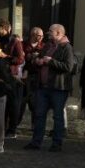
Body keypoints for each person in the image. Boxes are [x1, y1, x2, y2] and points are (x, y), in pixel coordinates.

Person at [24, 23, 77, 152]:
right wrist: (38, 61)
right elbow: (40, 59)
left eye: (50, 31)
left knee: (57, 116)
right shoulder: (48, 45)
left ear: (58, 33)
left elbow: (68, 67)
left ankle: (57, 143)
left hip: (58, 88)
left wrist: (50, 61)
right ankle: (36, 142)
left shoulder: (67, 47)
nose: (48, 33)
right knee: (39, 114)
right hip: (43, 87)